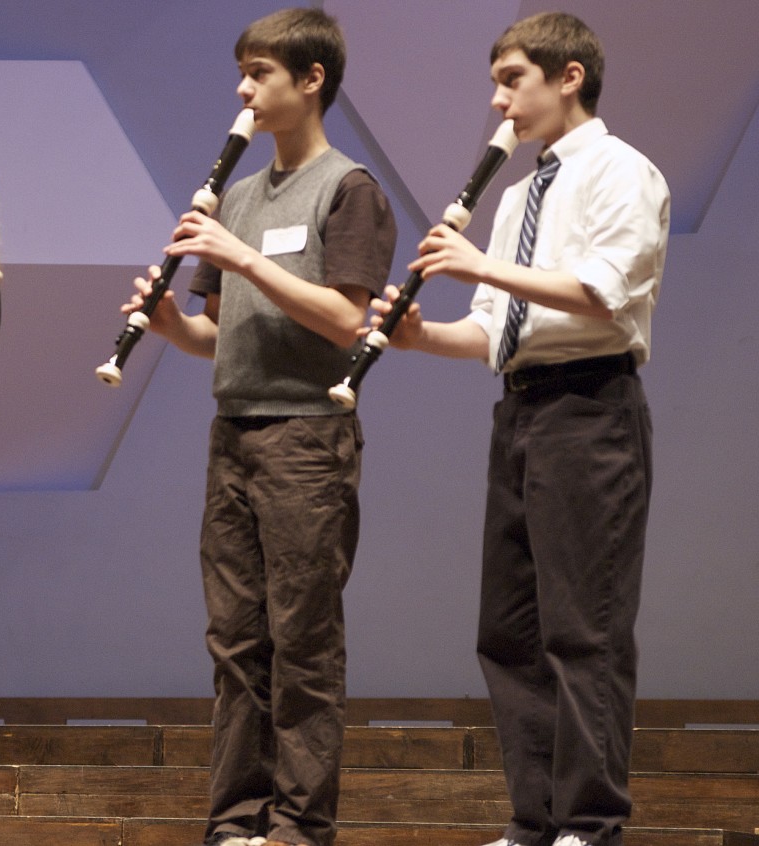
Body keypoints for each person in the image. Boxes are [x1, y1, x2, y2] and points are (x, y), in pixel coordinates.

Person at [369, 12, 669, 846]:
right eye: (498, 82)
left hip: (592, 406)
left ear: (568, 76)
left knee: (585, 628)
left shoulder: (623, 172)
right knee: (510, 632)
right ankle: (533, 820)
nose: (499, 99)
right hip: (524, 408)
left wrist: (478, 265)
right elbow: (493, 331)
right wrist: (417, 335)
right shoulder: (514, 198)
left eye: (512, 79)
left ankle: (591, 823)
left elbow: (603, 291)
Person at [125, 9, 396, 846]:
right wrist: (168, 324)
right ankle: (235, 821)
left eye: (261, 73)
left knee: (301, 641)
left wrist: (244, 258)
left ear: (311, 80)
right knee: (236, 643)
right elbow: (224, 338)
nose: (243, 90)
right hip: (234, 430)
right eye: (242, 73)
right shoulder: (238, 194)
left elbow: (347, 321)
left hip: (308, 437)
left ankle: (298, 828)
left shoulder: (349, 189)